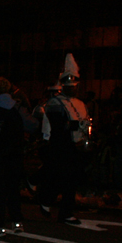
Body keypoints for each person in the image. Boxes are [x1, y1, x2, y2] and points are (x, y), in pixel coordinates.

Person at [38, 53, 90, 225]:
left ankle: (65, 212)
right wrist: (75, 127)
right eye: (68, 86)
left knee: (71, 180)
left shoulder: (81, 104)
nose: (72, 89)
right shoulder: (55, 103)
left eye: (74, 86)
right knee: (60, 177)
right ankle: (46, 200)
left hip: (77, 148)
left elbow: (85, 124)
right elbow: (59, 126)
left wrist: (85, 138)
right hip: (62, 146)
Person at [0, 76, 26, 234]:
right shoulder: (17, 107)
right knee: (13, 188)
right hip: (14, 154)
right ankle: (17, 221)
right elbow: (31, 124)